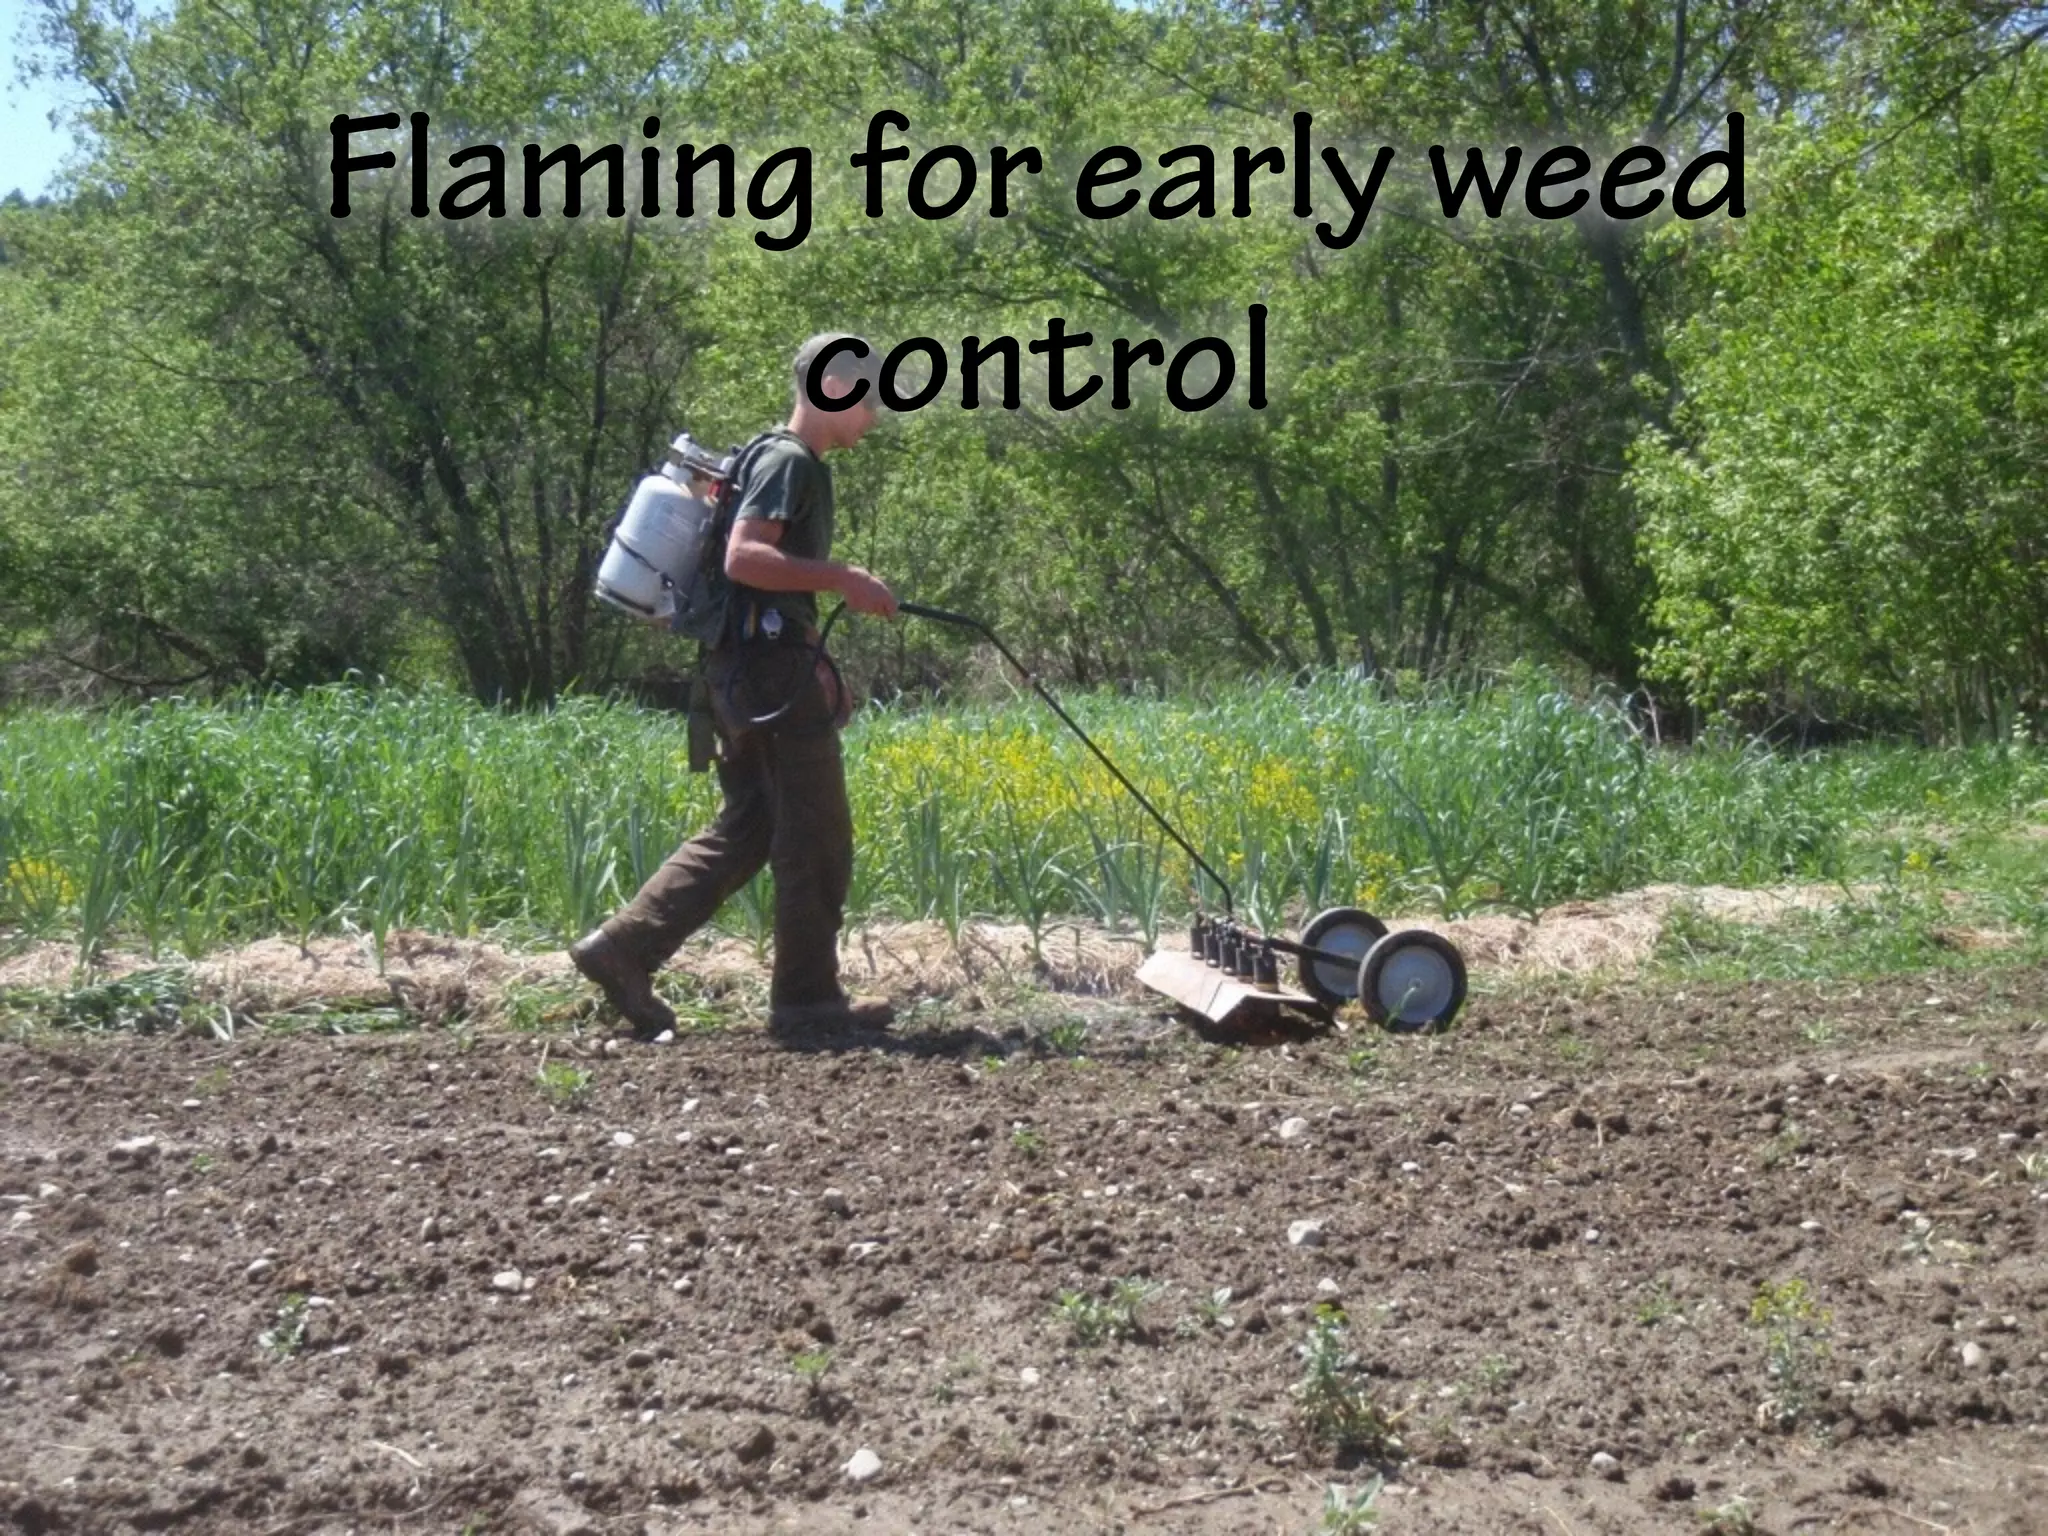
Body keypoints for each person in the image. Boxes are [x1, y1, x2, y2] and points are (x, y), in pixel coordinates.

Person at [570, 333, 900, 1040]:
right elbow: (747, 558)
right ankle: (807, 1005)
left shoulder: (765, 456)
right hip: (769, 680)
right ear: (836, 389)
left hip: (749, 670)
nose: (876, 414)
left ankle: (623, 949)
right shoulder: (790, 462)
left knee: (751, 826)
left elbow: (765, 592)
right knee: (814, 838)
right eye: (871, 397)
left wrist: (817, 656)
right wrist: (844, 578)